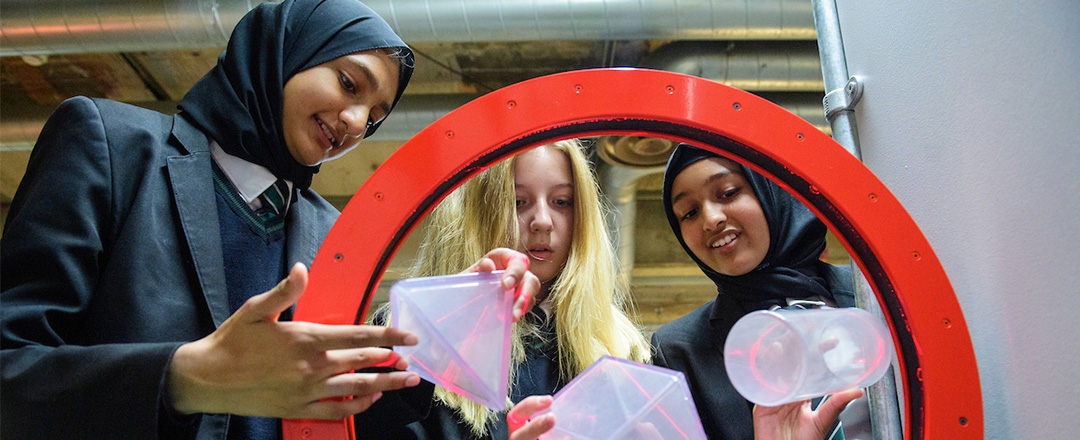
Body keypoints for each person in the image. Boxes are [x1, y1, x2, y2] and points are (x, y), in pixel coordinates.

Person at [0, 1, 537, 439]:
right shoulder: (113, 144)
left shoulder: (331, 233)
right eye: (350, 84)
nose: (354, 123)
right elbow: (12, 368)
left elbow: (338, 410)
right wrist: (187, 379)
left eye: (374, 118)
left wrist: (441, 323)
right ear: (284, 51)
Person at [359, 140, 652, 439]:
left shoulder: (622, 348)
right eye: (517, 201)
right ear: (479, 214)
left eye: (562, 202)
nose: (542, 221)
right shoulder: (413, 333)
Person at [649, 143, 864, 440]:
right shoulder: (680, 350)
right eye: (689, 213)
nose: (711, 219)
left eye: (728, 193)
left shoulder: (873, 293)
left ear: (771, 190)